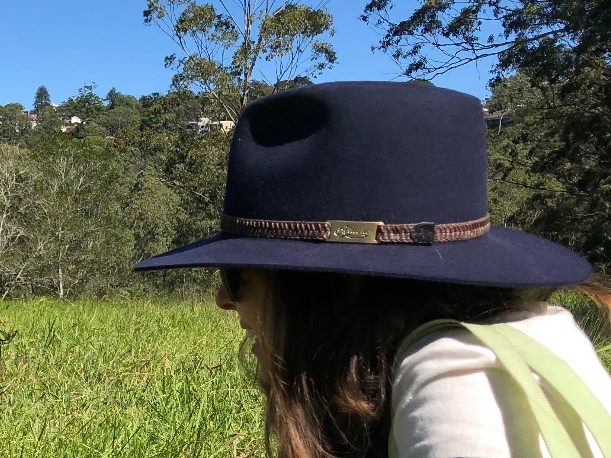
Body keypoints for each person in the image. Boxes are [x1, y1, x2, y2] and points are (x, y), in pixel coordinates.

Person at [134, 81, 611, 457]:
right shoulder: (542, 335)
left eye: (238, 276)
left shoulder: (461, 378)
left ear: (337, 286)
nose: (223, 300)